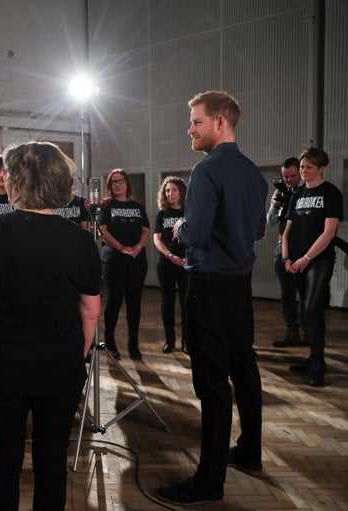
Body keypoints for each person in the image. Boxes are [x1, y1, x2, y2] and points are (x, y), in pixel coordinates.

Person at [0, 141, 102, 511]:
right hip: (59, 363)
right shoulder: (78, 239)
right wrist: (79, 354)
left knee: (5, 459)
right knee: (51, 462)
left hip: (2, 361)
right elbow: (90, 311)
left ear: (16, 179)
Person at [156, 91, 268, 506]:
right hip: (241, 288)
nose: (190, 129)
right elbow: (257, 230)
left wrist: (181, 227)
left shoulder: (206, 171)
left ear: (220, 122)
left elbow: (196, 235)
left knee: (212, 385)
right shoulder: (254, 175)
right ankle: (251, 453)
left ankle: (208, 482)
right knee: (245, 371)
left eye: (196, 122)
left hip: (208, 288)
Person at [283, 148, 342, 387]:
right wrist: (286, 258)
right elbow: (287, 229)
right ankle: (312, 357)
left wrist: (306, 258)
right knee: (308, 311)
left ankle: (318, 363)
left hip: (318, 260)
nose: (303, 171)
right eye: (302, 166)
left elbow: (329, 233)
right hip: (295, 260)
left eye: (308, 167)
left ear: (321, 168)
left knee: (310, 309)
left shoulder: (331, 193)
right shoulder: (297, 194)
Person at [98, 169, 150, 360]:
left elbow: (146, 230)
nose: (117, 185)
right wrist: (121, 248)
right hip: (114, 260)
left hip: (136, 260)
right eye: (113, 182)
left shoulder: (137, 205)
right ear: (110, 186)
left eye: (120, 181)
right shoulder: (107, 205)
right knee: (114, 301)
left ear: (127, 183)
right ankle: (110, 342)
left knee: (134, 303)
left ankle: (133, 343)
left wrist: (137, 248)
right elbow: (101, 231)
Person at [267, 158, 304, 347]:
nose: (289, 180)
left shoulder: (308, 190)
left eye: (293, 176)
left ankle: (309, 332)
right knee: (287, 293)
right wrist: (275, 205)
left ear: (301, 172)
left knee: (307, 293)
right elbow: (270, 222)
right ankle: (292, 332)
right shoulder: (280, 191)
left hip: (305, 248)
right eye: (286, 176)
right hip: (283, 247)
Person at [152, 176, 189, 354]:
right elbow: (157, 239)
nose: (170, 194)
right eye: (167, 190)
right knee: (167, 303)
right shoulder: (162, 214)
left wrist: (187, 258)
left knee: (186, 303)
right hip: (167, 263)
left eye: (174, 190)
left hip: (187, 263)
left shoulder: (190, 211)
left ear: (181, 191)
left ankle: (186, 342)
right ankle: (170, 340)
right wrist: (169, 254)